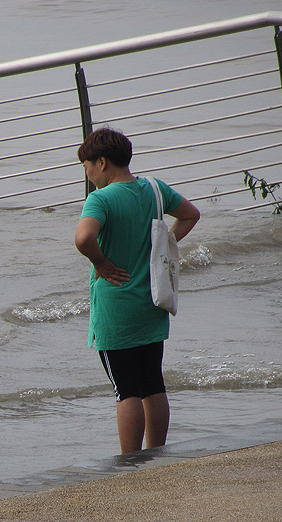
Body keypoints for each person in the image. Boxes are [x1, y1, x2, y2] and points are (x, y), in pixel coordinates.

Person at [74, 127, 200, 454]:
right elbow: (190, 214)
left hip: (116, 308)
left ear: (102, 162)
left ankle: (130, 462)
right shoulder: (154, 189)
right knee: (152, 385)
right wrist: (163, 246)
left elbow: (84, 239)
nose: (86, 174)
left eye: (86, 165)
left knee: (125, 390)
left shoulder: (100, 198)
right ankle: (155, 453)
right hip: (151, 301)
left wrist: (101, 264)